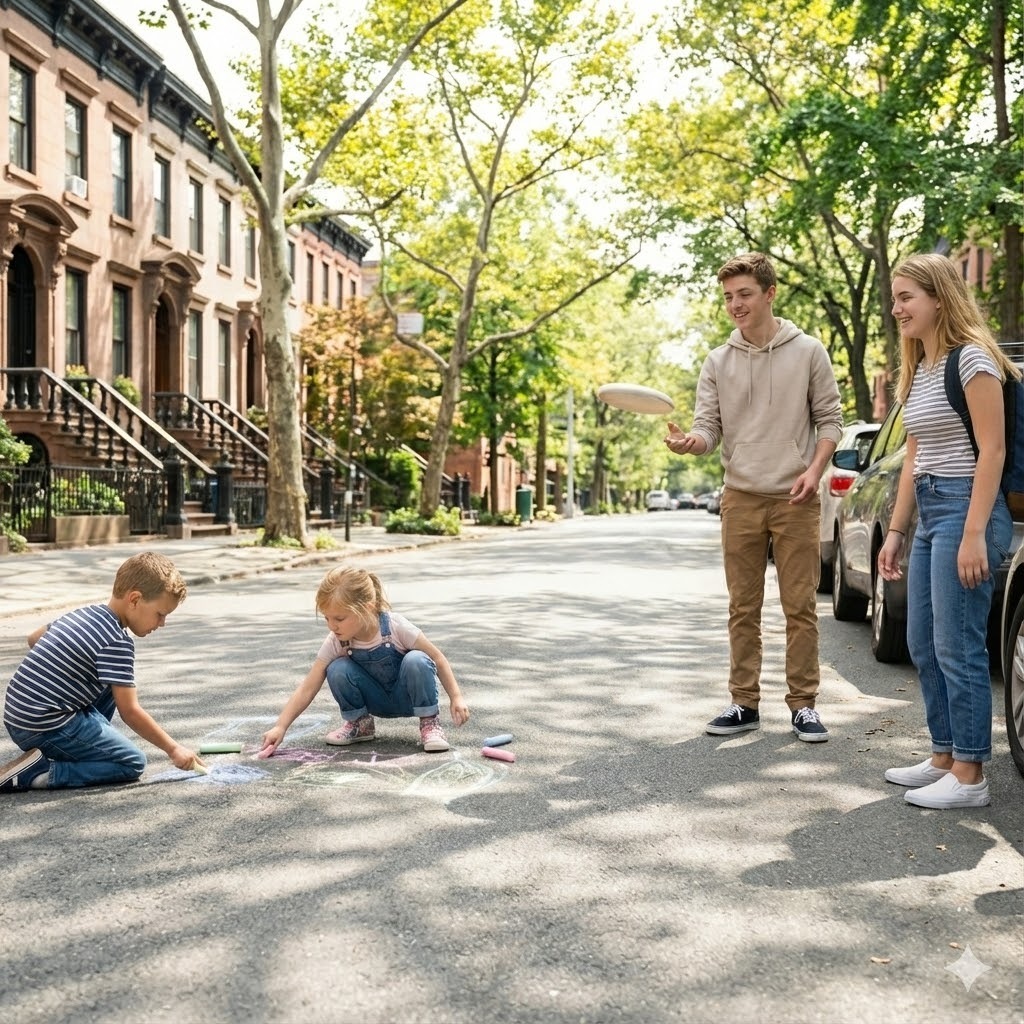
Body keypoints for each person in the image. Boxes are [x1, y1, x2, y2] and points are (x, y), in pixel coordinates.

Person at [665, 252, 843, 741]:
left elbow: (830, 420)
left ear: (770, 293)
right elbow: (708, 430)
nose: (735, 305)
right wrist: (690, 443)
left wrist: (814, 470)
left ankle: (803, 704)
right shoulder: (718, 360)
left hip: (796, 495)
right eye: (727, 297)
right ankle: (743, 703)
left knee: (799, 607)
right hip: (740, 496)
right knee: (742, 607)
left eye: (744, 294)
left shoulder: (808, 351)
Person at [878, 253, 1017, 809]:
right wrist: (895, 530)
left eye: (907, 297)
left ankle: (970, 774)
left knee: (956, 645)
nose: (897, 308)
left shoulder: (974, 361)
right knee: (922, 641)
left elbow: (993, 450)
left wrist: (975, 532)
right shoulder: (922, 367)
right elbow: (914, 455)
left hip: (966, 508)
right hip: (933, 510)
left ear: (940, 297)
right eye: (895, 298)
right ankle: (943, 754)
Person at [0, 551, 201, 793]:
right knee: (131, 762)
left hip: (18, 716)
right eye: (160, 614)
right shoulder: (117, 641)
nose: (161, 624)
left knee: (109, 681)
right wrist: (174, 749)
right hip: (44, 727)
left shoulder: (86, 613)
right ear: (135, 599)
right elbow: (130, 712)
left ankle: (84, 745)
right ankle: (40, 773)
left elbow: (34, 639)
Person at [260, 566, 468, 756]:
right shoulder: (337, 641)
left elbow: (437, 658)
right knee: (336, 668)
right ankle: (360, 724)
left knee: (418, 659)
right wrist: (281, 726)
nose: (332, 626)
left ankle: (429, 723)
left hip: (407, 697)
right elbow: (308, 686)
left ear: (367, 608)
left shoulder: (396, 627)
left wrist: (456, 697)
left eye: (339, 619)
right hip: (375, 700)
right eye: (327, 618)